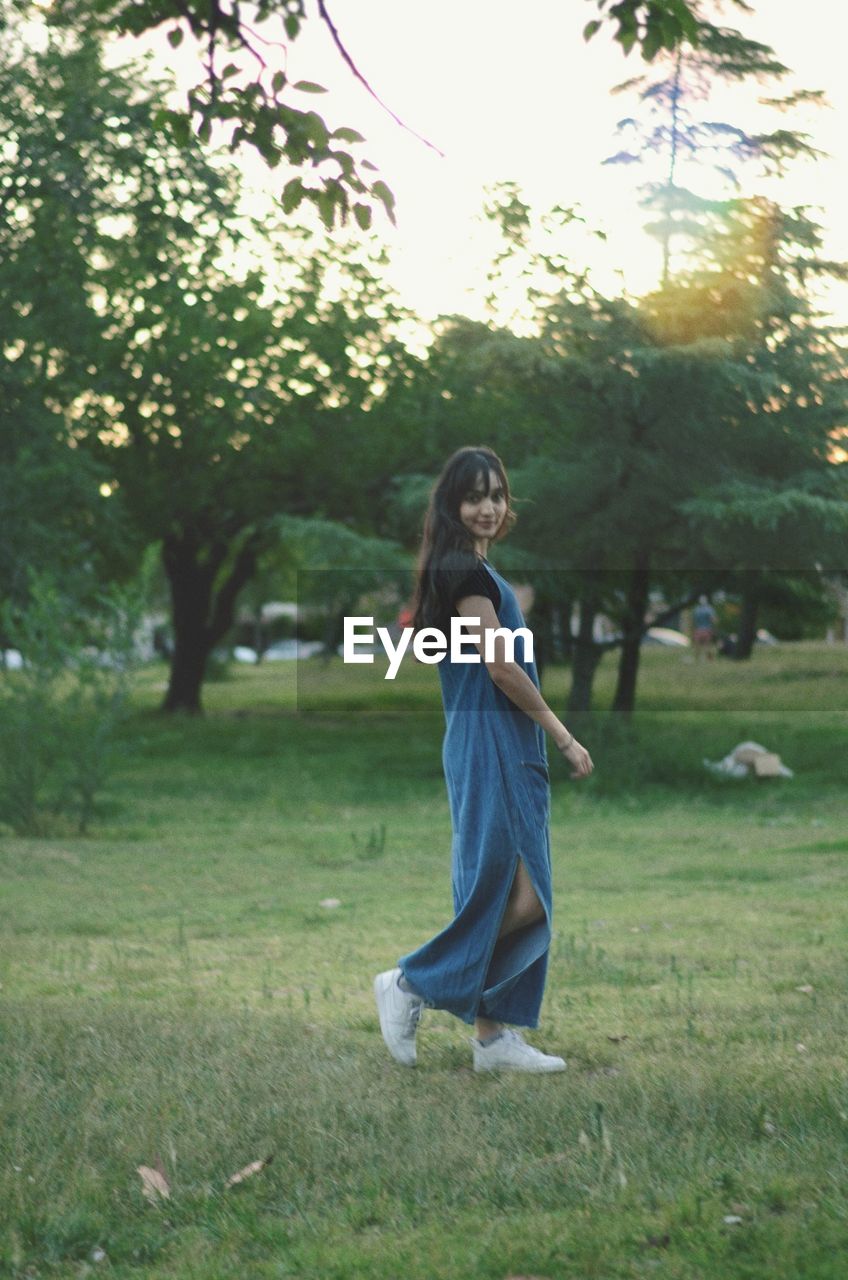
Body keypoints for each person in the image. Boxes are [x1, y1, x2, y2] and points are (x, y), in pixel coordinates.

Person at [373, 446, 593, 1074]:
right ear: (452, 504)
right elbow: (500, 666)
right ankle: (412, 982)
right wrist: (563, 733)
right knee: (521, 896)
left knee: (506, 889)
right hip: (494, 741)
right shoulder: (464, 575)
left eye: (497, 494)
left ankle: (494, 1039)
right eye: (474, 496)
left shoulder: (466, 571)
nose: (489, 507)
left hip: (493, 741)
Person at [692, 595, 718, 662]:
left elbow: (694, 621)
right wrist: (714, 628)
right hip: (707, 629)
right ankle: (709, 659)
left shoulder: (696, 610)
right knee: (707, 645)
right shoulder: (709, 609)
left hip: (698, 629)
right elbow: (713, 620)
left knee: (697, 645)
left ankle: (697, 659)